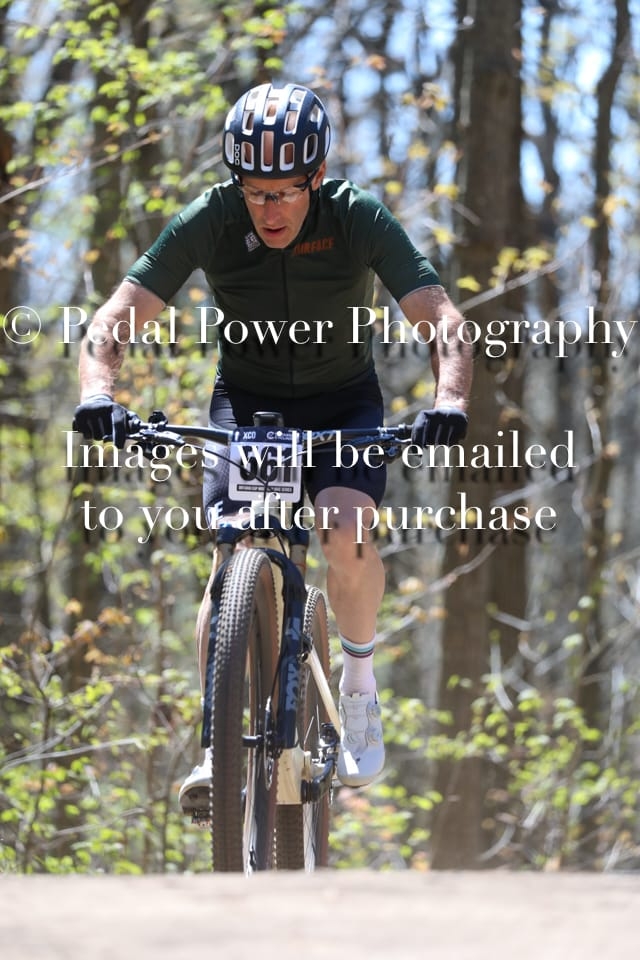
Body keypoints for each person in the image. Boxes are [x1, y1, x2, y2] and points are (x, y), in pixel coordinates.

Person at [74, 82, 472, 806]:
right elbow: (115, 317)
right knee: (229, 557)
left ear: (316, 177)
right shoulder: (213, 218)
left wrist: (449, 401)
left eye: (285, 192)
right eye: (254, 192)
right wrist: (98, 393)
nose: (270, 209)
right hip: (248, 404)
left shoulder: (355, 216)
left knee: (345, 531)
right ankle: (216, 747)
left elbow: (443, 320)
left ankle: (357, 683)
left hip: (342, 400)